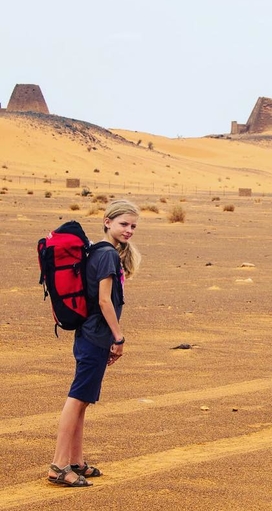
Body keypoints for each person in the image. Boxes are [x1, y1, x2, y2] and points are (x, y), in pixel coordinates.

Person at [47, 200, 141, 487]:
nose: (129, 230)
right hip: (96, 335)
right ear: (107, 221)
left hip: (88, 335)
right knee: (76, 399)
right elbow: (103, 300)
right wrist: (119, 337)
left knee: (84, 399)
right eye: (124, 224)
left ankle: (76, 461)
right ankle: (58, 465)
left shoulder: (99, 252)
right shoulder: (108, 256)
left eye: (133, 226)